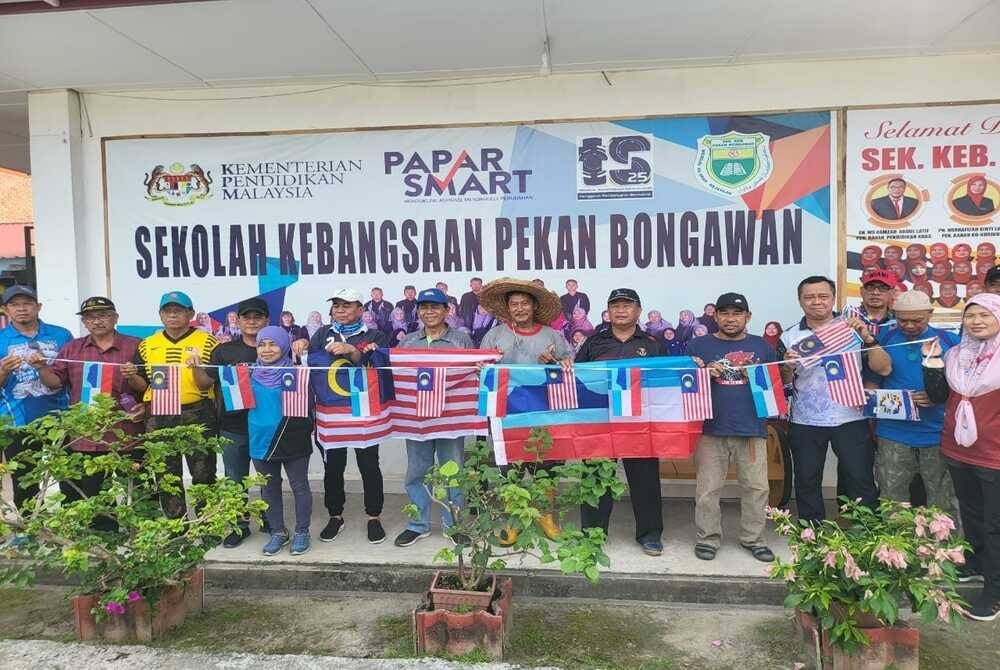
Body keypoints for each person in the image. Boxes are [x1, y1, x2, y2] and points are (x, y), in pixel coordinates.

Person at [922, 294, 1000, 621]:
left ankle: (994, 594)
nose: (977, 321)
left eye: (985, 315)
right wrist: (932, 363)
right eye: (971, 316)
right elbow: (939, 396)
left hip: (994, 452)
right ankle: (977, 564)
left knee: (996, 523)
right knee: (971, 514)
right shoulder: (955, 354)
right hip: (958, 449)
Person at [34, 297, 142, 531]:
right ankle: (107, 533)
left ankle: (143, 534)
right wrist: (42, 367)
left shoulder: (135, 346)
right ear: (84, 322)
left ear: (115, 318)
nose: (97, 321)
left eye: (103, 315)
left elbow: (150, 384)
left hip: (128, 431)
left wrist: (134, 378)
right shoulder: (72, 349)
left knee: (139, 487)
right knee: (95, 489)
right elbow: (55, 383)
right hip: (88, 433)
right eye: (91, 317)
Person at [479, 277, 572, 544]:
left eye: (524, 304)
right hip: (506, 414)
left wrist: (555, 362)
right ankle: (515, 519)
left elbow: (567, 366)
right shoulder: (494, 335)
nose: (519, 308)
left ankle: (545, 517)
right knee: (510, 467)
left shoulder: (552, 335)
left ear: (534, 307)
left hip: (545, 412)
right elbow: (482, 372)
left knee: (547, 466)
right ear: (508, 309)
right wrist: (484, 368)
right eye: (514, 304)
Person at [686, 293, 777, 563]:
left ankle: (754, 539)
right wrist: (701, 373)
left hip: (752, 428)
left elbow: (775, 386)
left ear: (748, 317)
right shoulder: (697, 346)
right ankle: (708, 538)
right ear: (715, 316)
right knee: (707, 490)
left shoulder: (762, 347)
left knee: (757, 488)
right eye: (724, 313)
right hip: (710, 429)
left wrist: (774, 372)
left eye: (737, 313)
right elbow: (684, 385)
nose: (730, 318)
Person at [576, 288, 666, 557]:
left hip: (640, 422)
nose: (621, 310)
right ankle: (593, 534)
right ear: (608, 311)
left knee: (645, 480)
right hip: (601, 423)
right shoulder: (594, 343)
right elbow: (577, 378)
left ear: (638, 311)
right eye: (615, 305)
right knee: (595, 478)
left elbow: (667, 379)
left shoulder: (653, 344)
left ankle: (650, 535)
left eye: (627, 305)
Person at [779, 276, 878, 523]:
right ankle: (812, 531)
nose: (816, 302)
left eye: (822, 296)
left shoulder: (853, 329)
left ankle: (867, 530)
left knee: (860, 476)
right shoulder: (790, 336)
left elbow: (879, 368)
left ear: (833, 298)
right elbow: (783, 381)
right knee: (807, 478)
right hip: (806, 419)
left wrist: (866, 336)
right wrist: (788, 366)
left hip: (851, 415)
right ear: (800, 301)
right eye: (809, 297)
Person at [121, 291, 218, 520]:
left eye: (179, 311)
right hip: (159, 413)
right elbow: (141, 383)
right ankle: (176, 526)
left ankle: (208, 524)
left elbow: (213, 379)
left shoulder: (208, 342)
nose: (172, 315)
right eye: (167, 311)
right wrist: (130, 375)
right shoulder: (148, 345)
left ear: (190, 314)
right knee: (166, 473)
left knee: (203, 472)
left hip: (197, 410)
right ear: (160, 315)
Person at [863, 291, 959, 518]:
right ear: (894, 314)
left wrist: (939, 395)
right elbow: (872, 384)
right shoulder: (884, 339)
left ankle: (944, 549)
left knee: (942, 499)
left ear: (930, 314)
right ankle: (895, 551)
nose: (909, 326)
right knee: (891, 499)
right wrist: (875, 404)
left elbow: (964, 388)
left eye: (917, 320)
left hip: (938, 433)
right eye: (902, 320)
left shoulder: (950, 341)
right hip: (893, 433)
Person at [393, 288, 475, 548]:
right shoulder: (407, 342)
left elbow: (472, 376)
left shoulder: (461, 341)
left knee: (453, 472)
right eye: (424, 307)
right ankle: (418, 524)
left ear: (447, 310)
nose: (429, 312)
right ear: (417, 311)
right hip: (417, 418)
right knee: (417, 471)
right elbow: (397, 377)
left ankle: (456, 525)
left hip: (451, 417)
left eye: (435, 307)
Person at [307, 288, 390, 544]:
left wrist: (352, 351)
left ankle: (373, 517)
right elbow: (309, 363)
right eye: (336, 306)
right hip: (332, 411)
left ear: (361, 309)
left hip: (364, 409)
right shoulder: (322, 334)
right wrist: (299, 346)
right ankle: (335, 516)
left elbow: (381, 366)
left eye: (346, 305)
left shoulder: (375, 334)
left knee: (369, 464)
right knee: (333, 466)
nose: (340, 310)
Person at [200, 297, 270, 547]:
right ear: (238, 321)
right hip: (233, 426)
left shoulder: (275, 348)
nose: (252, 321)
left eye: (258, 316)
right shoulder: (223, 351)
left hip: (268, 425)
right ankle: (239, 526)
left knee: (268, 477)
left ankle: (269, 517)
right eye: (247, 317)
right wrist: (196, 367)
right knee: (234, 478)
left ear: (267, 320)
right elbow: (204, 384)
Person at [0, 286, 73, 516]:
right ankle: (30, 528)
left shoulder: (61, 335)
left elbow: (73, 375)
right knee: (25, 479)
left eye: (27, 303)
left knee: (71, 475)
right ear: (5, 310)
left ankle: (74, 526)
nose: (22, 309)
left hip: (62, 417)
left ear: (38, 307)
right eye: (15, 304)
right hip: (18, 420)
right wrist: (3, 371)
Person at [249, 326, 314, 557]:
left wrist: (305, 348)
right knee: (268, 488)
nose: (267, 350)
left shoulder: (298, 371)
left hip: (293, 435)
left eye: (273, 344)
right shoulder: (246, 374)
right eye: (261, 344)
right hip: (260, 439)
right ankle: (277, 531)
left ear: (284, 345)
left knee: (299, 486)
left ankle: (302, 531)